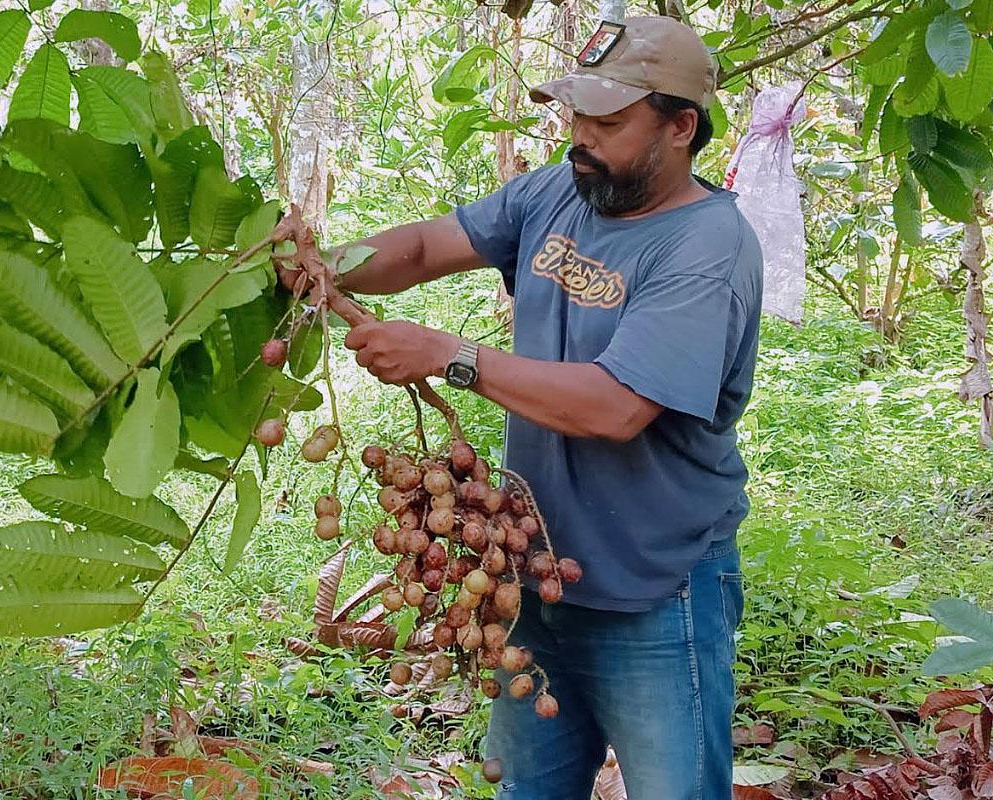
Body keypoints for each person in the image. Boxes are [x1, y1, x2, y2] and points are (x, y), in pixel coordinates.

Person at [284, 16, 762, 800]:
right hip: (531, 574)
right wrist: (318, 264)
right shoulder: (560, 189)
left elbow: (617, 407)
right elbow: (427, 248)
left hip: (655, 589)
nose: (582, 137)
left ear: (680, 127)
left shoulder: (706, 247)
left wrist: (451, 356)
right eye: (576, 116)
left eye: (607, 124)